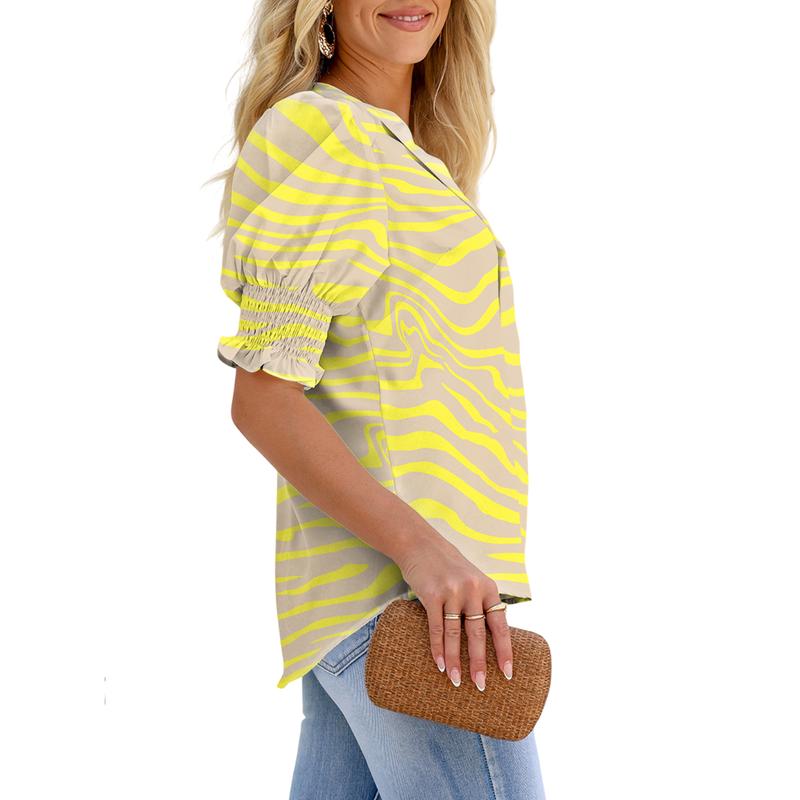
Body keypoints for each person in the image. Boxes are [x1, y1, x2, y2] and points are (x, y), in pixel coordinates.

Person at [213, 1, 546, 797]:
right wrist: (421, 550)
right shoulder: (328, 134)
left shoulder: (403, 157)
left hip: (393, 604)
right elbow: (263, 397)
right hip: (411, 604)